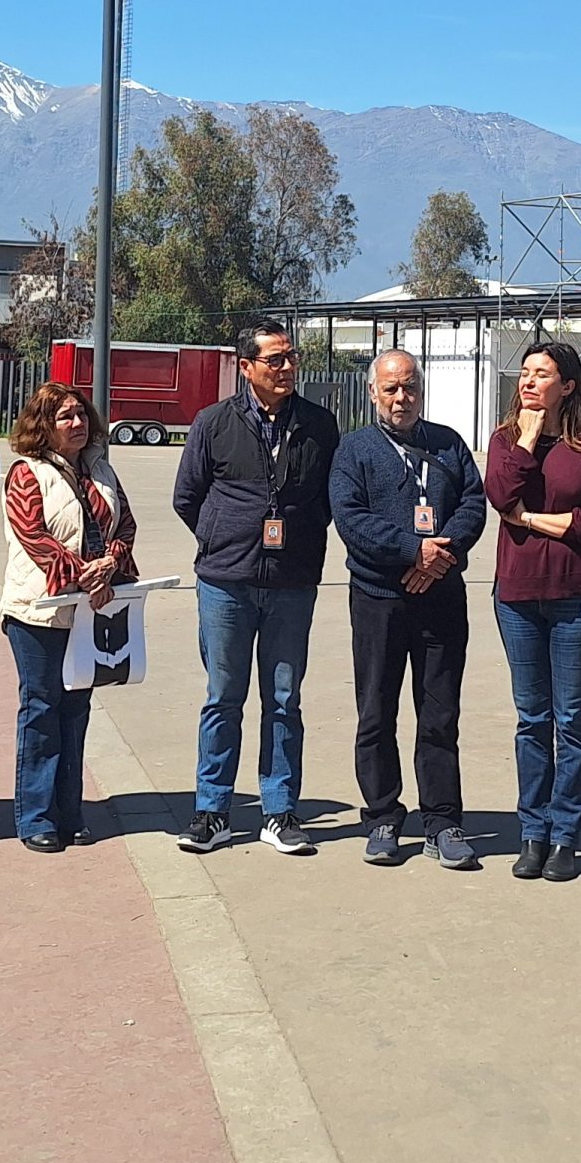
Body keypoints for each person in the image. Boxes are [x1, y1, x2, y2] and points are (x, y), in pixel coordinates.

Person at [170, 319, 341, 855]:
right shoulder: (213, 423)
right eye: (275, 360)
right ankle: (212, 811)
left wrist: (303, 540)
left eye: (291, 358)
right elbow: (187, 497)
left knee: (284, 699)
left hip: (292, 584)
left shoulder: (320, 424)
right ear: (246, 367)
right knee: (223, 696)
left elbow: (329, 499)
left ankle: (280, 810)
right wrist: (224, 538)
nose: (287, 368)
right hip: (226, 585)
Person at [328, 350, 488, 870]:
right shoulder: (354, 449)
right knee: (376, 711)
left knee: (440, 715)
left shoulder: (447, 444)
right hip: (379, 599)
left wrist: (441, 555)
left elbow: (473, 503)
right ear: (373, 393)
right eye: (391, 389)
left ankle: (442, 821)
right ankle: (381, 818)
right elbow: (349, 516)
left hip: (441, 597)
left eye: (410, 387)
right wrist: (410, 551)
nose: (402, 398)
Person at [484, 340, 581, 882]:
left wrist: (532, 520)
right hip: (517, 596)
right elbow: (500, 495)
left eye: (542, 374)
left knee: (571, 717)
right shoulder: (503, 440)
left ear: (568, 385)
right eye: (525, 373)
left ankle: (565, 833)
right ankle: (532, 831)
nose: (529, 382)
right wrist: (523, 440)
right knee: (531, 718)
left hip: (577, 598)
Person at [0, 381, 137, 853]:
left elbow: (127, 525)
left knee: (76, 708)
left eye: (81, 415)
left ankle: (69, 811)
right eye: (65, 417)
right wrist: (85, 573)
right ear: (43, 426)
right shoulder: (26, 473)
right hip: (37, 611)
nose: (77, 424)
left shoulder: (101, 469)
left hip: (89, 609)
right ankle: (35, 816)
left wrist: (110, 564)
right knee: (42, 708)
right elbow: (34, 537)